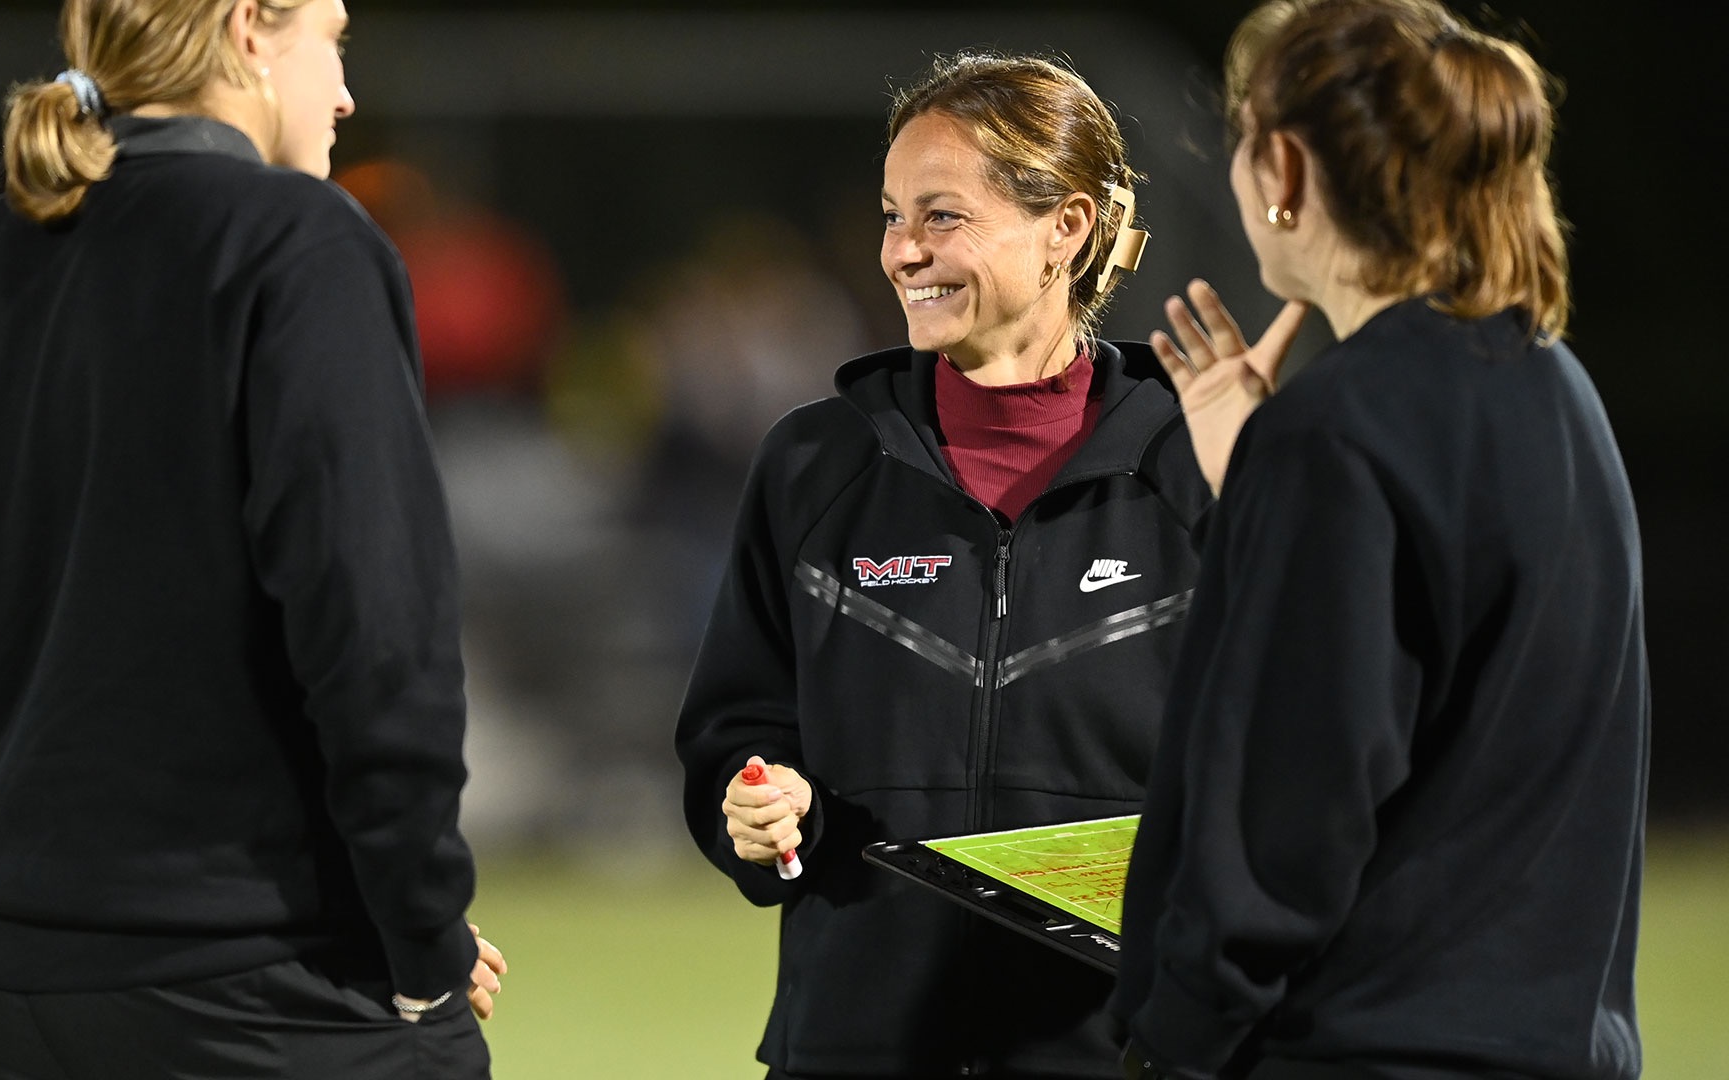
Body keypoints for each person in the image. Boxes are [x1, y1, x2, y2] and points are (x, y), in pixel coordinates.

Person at [0, 0, 504, 1075]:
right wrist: (419, 938)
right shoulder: (299, 242)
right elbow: (376, 644)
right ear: (247, 30)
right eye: (331, 40)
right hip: (240, 981)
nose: (344, 94)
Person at [1109, 2, 1649, 1078]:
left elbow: (1284, 823)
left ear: (1286, 168)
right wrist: (1254, 490)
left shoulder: (1339, 433)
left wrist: (1172, 1043)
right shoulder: (1556, 387)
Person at [676, 52, 1210, 1078]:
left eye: (942, 216)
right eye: (891, 216)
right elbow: (734, 732)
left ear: (1067, 228)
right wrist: (757, 807)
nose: (902, 252)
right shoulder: (815, 464)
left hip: (1121, 1053)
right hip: (855, 1048)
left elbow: (1281, 772)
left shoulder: (1200, 465)